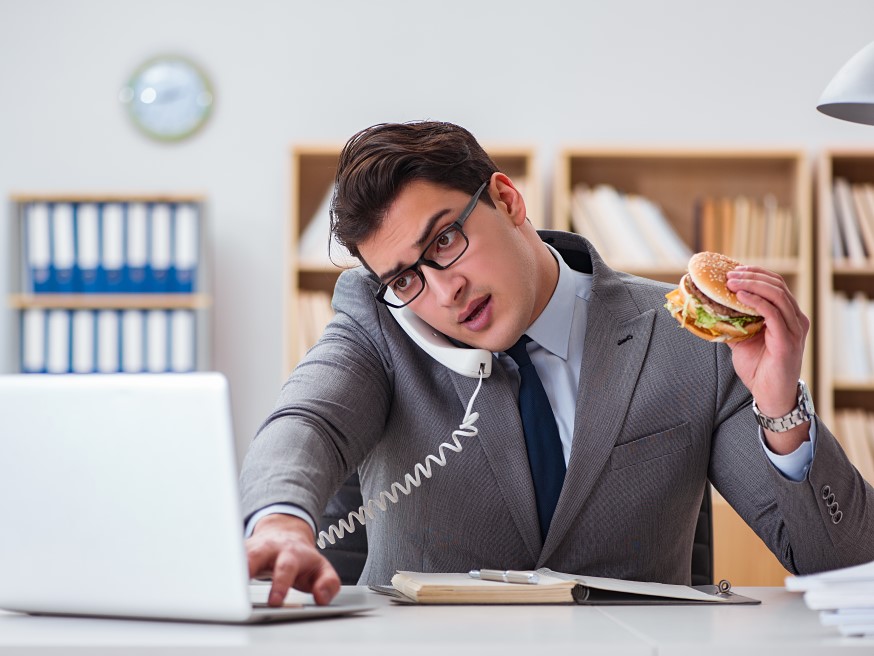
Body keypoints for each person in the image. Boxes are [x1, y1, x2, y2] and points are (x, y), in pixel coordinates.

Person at [241, 121, 874, 607]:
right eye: (405, 277)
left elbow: (843, 566)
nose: (442, 292)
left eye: (444, 241)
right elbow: (310, 418)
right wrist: (280, 523)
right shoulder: (384, 325)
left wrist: (780, 409)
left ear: (507, 201)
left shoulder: (687, 337)